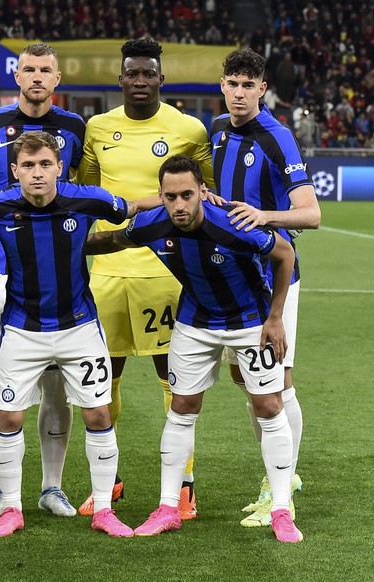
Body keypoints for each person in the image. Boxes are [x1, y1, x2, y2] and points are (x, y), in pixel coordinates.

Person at [86, 154, 303, 544]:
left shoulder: (235, 225)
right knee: (182, 407)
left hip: (249, 323)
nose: (180, 205)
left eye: (188, 194)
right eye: (170, 197)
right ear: (161, 197)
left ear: (203, 191)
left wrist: (275, 318)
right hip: (194, 323)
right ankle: (169, 507)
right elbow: (113, 240)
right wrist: (62, 243)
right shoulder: (154, 224)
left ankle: (282, 510)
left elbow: (284, 254)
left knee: (268, 407)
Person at [0, 131, 149, 538]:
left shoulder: (89, 199)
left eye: (45, 164)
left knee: (98, 414)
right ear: (14, 171)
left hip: (79, 326)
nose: (37, 174)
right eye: (28, 166)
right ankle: (12, 508)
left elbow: (132, 208)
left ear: (60, 168)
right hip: (21, 329)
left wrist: (188, 198)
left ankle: (103, 510)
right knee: (8, 417)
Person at [74, 37, 214, 518]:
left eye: (148, 73)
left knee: (172, 376)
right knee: (102, 376)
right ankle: (106, 482)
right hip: (107, 271)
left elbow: (205, 195)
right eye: (131, 74)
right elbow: (87, 190)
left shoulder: (189, 128)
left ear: (161, 77)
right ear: (120, 79)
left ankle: (185, 486)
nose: (140, 81)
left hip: (165, 272)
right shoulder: (97, 127)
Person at [0, 42, 87, 518]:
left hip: (58, 270)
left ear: (57, 80)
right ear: (17, 76)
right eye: (29, 70)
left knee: (57, 384)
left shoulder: (75, 128)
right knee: (2, 383)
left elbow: (78, 189)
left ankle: (52, 487)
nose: (36, 77)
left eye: (45, 71)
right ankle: (2, 488)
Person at [211, 47, 320, 527]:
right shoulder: (216, 132)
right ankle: (280, 475)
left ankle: (283, 482)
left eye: (247, 85)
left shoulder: (278, 139)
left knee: (277, 382)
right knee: (246, 380)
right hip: (231, 277)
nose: (238, 92)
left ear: (262, 89)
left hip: (274, 274)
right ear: (222, 85)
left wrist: (264, 216)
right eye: (231, 83)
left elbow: (312, 213)